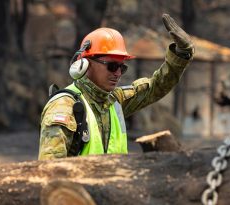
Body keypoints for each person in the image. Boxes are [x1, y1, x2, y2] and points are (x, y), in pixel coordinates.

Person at [38, 14, 194, 160]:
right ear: (85, 64)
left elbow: (155, 86)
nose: (118, 73)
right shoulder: (63, 107)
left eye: (122, 67)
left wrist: (180, 55)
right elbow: (49, 171)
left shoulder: (114, 100)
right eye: (112, 66)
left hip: (115, 187)